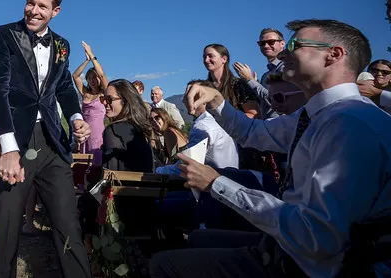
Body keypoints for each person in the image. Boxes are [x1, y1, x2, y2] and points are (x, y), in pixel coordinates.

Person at [152, 19, 391, 278]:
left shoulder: (349, 124)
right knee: (197, 239)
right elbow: (255, 133)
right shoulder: (317, 114)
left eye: (294, 44)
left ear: (333, 54)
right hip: (288, 250)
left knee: (162, 265)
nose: (284, 52)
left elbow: (318, 238)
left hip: (310, 267)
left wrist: (218, 184)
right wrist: (218, 101)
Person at [0, 0, 93, 278]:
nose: (34, 10)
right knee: (7, 227)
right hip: (15, 139)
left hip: (53, 143)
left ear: (55, 11)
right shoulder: (1, 36)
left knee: (68, 225)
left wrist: (77, 117)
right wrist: (8, 148)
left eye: (42, 6)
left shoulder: (62, 45)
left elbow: (64, 86)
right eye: (30, 2)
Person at [233, 28, 286, 120]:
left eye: (271, 42)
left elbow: (277, 100)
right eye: (262, 43)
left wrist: (250, 80)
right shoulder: (266, 75)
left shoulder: (286, 67)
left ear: (282, 43)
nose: (266, 46)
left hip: (282, 124)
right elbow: (263, 102)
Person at [71, 41, 108, 165]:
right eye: (90, 77)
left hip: (98, 133)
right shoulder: (85, 93)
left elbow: (102, 75)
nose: (92, 80)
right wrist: (86, 61)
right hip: (83, 132)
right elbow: (75, 76)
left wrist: (92, 55)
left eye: (94, 77)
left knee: (96, 160)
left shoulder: (104, 94)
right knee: (82, 161)